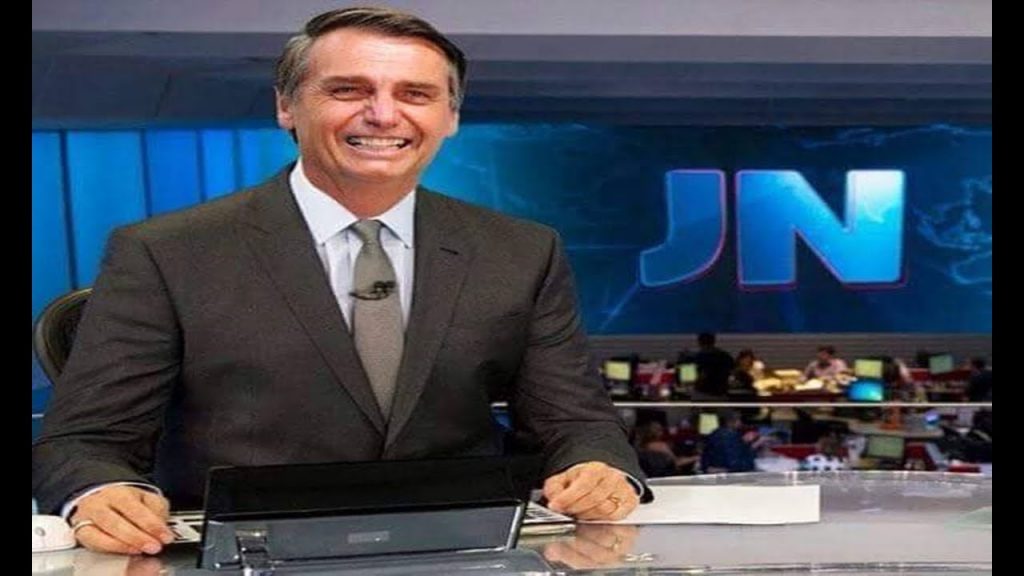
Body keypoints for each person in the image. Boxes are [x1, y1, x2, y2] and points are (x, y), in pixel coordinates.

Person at [32, 7, 646, 556]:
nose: (383, 114)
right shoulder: (165, 252)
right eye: (349, 89)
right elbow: (84, 442)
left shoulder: (522, 251)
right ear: (287, 106)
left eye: (415, 94)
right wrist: (100, 491)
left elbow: (576, 422)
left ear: (450, 116)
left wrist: (598, 466)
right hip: (245, 558)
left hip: (458, 552)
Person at [700, 410, 770, 473]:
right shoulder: (730, 436)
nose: (740, 423)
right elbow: (738, 464)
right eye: (739, 420)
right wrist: (755, 445)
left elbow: (735, 452)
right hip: (729, 474)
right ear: (731, 422)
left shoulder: (715, 433)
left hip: (717, 471)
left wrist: (744, 442)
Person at [689, 332, 735, 400]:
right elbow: (732, 372)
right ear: (714, 342)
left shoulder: (698, 358)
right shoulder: (726, 356)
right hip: (721, 394)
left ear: (699, 343)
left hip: (702, 393)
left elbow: (691, 378)